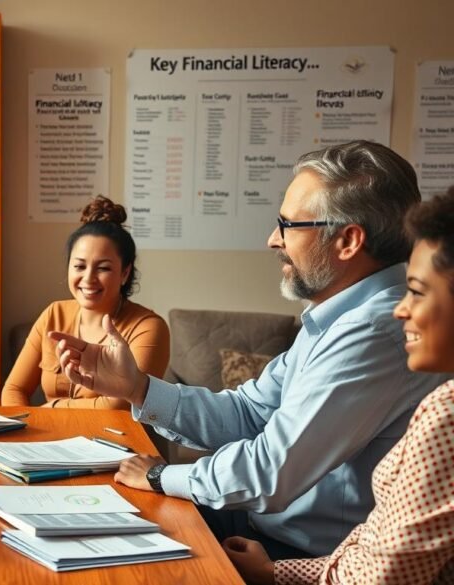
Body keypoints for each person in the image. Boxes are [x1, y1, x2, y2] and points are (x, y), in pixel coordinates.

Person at [50, 140, 448, 559]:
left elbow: (269, 473)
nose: (273, 239)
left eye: (288, 225)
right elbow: (248, 413)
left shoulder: (373, 330)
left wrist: (161, 476)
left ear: (347, 241)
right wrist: (139, 389)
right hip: (259, 526)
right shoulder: (334, 317)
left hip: (297, 555)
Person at [223, 187, 454, 584]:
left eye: (416, 292)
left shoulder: (445, 413)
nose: (402, 309)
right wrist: (274, 571)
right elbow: (374, 545)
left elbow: (382, 576)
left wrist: (274, 574)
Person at [2, 196, 169, 408]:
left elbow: (119, 405)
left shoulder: (148, 327)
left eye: (103, 268)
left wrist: (50, 411)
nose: (88, 279)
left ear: (125, 273)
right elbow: (14, 389)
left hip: (120, 440)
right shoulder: (54, 314)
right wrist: (23, 431)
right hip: (52, 438)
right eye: (79, 266)